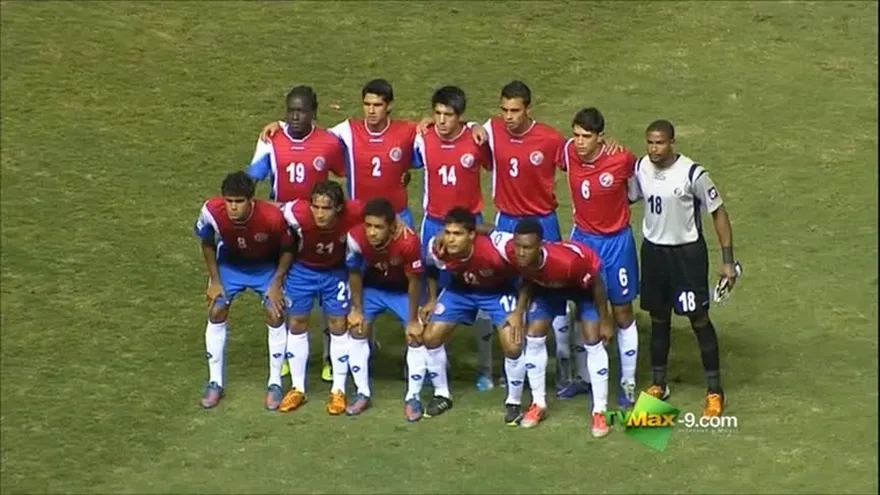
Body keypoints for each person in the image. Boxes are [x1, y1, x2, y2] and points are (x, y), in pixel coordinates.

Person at [481, 81, 623, 395]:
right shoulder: (490, 130)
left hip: (544, 222)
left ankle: (564, 369)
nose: (509, 117)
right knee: (508, 295)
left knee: (555, 293)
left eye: (515, 110)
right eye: (504, 110)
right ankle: (507, 368)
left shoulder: (550, 139)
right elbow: (461, 130)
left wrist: (605, 145)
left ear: (528, 109)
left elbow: (579, 157)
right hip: (507, 219)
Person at [629, 119, 738, 417]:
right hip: (653, 253)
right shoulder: (640, 167)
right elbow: (628, 196)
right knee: (659, 318)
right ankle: (658, 384)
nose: (654, 149)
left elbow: (718, 213)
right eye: (650, 142)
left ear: (672, 142)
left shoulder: (693, 173)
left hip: (686, 256)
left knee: (698, 318)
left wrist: (728, 260)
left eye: (660, 143)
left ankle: (715, 391)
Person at [247, 85, 346, 383]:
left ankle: (330, 357)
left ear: (313, 113)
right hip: (284, 227)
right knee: (290, 292)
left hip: (319, 225)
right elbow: (251, 180)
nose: (294, 117)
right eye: (290, 111)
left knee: (330, 293)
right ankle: (290, 355)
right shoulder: (271, 140)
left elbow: (345, 174)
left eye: (301, 111)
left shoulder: (329, 142)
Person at [493, 219, 616, 436]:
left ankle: (600, 411)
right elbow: (529, 278)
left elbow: (596, 284)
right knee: (533, 334)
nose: (521, 253)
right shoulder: (515, 253)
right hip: (548, 287)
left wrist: (605, 320)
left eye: (527, 248)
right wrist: (518, 312)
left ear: (540, 246)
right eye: (519, 246)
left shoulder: (568, 264)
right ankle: (538, 404)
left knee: (592, 338)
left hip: (582, 284)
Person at [413, 85, 497, 391]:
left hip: (470, 227)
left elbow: (494, 161)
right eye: (437, 114)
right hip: (433, 225)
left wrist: (475, 126)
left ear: (460, 117)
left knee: (482, 292)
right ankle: (434, 362)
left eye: (448, 115)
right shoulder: (423, 137)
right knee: (428, 294)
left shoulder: (475, 141)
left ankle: (486, 369)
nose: (442, 120)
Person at [559, 107, 641, 407]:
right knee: (585, 312)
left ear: (600, 138)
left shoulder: (621, 159)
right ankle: (584, 378)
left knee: (622, 312)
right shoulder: (567, 152)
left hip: (617, 243)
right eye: (576, 135)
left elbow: (636, 191)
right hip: (583, 242)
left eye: (586, 136)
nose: (579, 142)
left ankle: (628, 384)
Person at [193, 171, 294, 410]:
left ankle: (275, 383)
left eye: (239, 202)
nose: (233, 207)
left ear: (251, 201)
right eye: (229, 201)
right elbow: (207, 242)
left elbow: (289, 249)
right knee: (216, 310)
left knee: (276, 314)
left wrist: (277, 282)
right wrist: (215, 280)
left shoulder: (272, 218)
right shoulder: (211, 211)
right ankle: (215, 382)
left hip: (265, 267)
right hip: (231, 265)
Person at [419, 208, 527, 421]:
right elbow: (430, 269)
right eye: (448, 232)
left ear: (471, 235)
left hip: (498, 291)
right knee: (430, 337)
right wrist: (432, 299)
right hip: (461, 291)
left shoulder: (499, 248)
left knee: (512, 345)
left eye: (457, 234)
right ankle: (442, 394)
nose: (450, 239)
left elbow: (527, 273)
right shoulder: (438, 247)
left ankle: (513, 402)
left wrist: (518, 311)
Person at [276, 180, 363, 415]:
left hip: (335, 272)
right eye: (316, 207)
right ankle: (298, 388)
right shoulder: (296, 212)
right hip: (303, 270)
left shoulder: (355, 212)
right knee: (296, 323)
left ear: (338, 208)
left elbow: (380, 213)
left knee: (338, 324)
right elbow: (274, 212)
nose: (319, 213)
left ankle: (338, 389)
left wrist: (398, 224)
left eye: (326, 208)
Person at [345, 198, 426, 419]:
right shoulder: (355, 237)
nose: (371, 232)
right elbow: (353, 273)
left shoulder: (408, 242)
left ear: (391, 227)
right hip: (374, 289)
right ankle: (362, 392)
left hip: (402, 291)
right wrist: (357, 309)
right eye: (368, 225)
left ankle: (413, 396)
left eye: (378, 227)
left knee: (416, 336)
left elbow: (414, 282)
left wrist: (411, 320)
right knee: (357, 329)